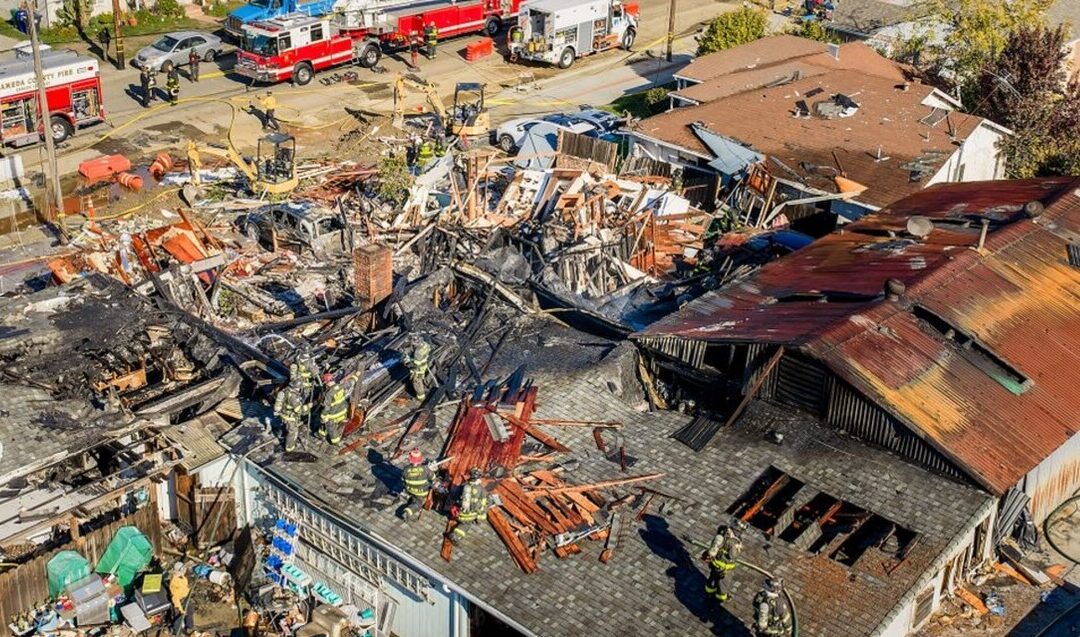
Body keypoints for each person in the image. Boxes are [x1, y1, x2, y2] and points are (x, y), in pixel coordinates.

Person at [703, 522, 743, 602]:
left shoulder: (723, 533)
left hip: (715, 564)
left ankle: (709, 591)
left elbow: (714, 546)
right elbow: (732, 556)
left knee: (713, 578)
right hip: (725, 568)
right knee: (723, 584)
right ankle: (720, 598)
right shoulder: (733, 542)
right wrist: (738, 547)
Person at [450, 468, 489, 543]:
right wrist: (479, 518)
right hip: (470, 516)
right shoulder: (482, 490)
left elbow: (454, 497)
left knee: (464, 521)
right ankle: (455, 536)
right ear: (479, 478)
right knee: (466, 525)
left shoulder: (463, 486)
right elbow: (483, 505)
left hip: (459, 513)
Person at [401, 449, 434, 521]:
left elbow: (403, 480)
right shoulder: (425, 469)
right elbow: (433, 477)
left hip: (409, 490)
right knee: (418, 503)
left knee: (413, 497)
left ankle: (411, 497)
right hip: (421, 492)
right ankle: (408, 511)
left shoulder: (405, 470)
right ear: (421, 460)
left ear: (410, 460)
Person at [274, 384, 308, 452]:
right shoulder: (293, 396)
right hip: (290, 418)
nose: (300, 389)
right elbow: (299, 410)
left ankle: (282, 436)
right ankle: (289, 448)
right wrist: (308, 406)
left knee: (285, 427)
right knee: (293, 432)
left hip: (283, 415)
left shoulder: (285, 390)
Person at [318, 373, 349, 445]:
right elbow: (350, 382)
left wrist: (323, 416)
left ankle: (335, 442)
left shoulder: (329, 394)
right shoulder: (341, 386)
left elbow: (327, 407)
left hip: (333, 414)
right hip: (343, 410)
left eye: (325, 383)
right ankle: (321, 434)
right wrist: (356, 376)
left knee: (330, 426)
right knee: (326, 422)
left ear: (327, 382)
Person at [168, 562, 192, 636]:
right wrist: (180, 610)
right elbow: (175, 598)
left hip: (185, 597)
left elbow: (185, 586)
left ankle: (190, 627)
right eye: (183, 569)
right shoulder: (174, 582)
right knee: (179, 617)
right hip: (178, 602)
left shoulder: (183, 577)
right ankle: (178, 632)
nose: (185, 570)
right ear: (178, 571)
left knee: (190, 611)